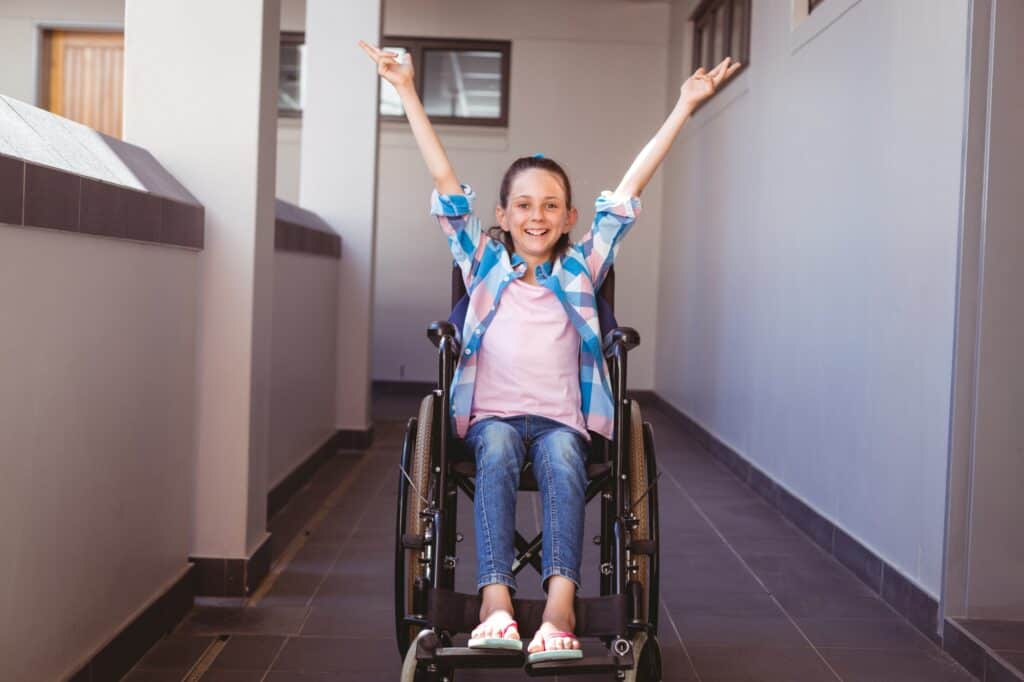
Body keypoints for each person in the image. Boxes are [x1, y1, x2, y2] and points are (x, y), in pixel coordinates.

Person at [359, 39, 740, 663]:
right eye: (525, 205)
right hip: (492, 422)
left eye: (552, 206)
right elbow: (445, 185)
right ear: (503, 216)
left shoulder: (583, 269)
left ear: (567, 219)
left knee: (565, 457)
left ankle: (561, 605)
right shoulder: (482, 265)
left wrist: (684, 106)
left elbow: (627, 190)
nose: (538, 216)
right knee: (501, 448)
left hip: (565, 421)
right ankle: (495, 603)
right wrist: (406, 92)